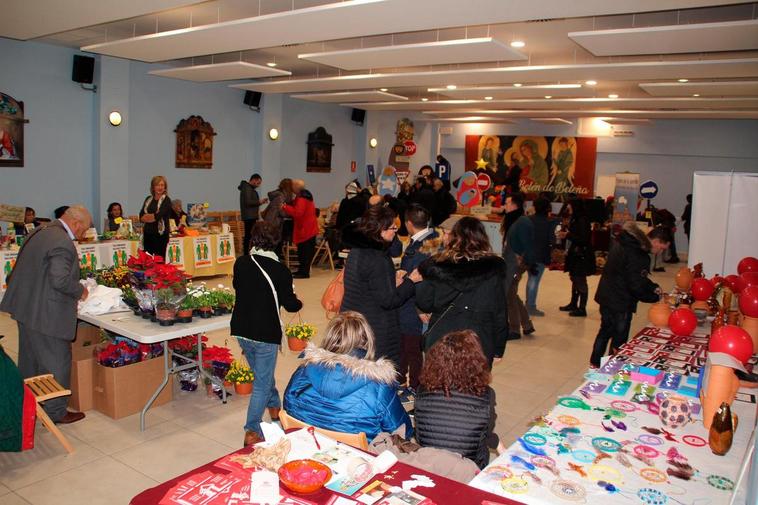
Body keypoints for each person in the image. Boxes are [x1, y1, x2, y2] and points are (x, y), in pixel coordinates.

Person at [0, 205, 92, 424]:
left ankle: (28, 405)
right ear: (76, 223)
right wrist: (81, 291)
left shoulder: (40, 231)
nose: (83, 234)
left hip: (26, 307)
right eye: (84, 230)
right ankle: (56, 411)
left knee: (30, 360)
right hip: (46, 313)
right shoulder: (62, 241)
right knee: (57, 361)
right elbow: (59, 280)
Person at [283, 311, 414, 442]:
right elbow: (403, 432)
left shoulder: (302, 372)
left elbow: (289, 408)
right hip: (357, 458)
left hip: (307, 448)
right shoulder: (380, 386)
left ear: (330, 338)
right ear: (367, 341)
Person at [230, 221, 302, 446]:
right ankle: (252, 429)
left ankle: (274, 406)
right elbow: (290, 305)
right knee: (261, 382)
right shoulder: (280, 270)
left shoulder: (241, 263)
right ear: (276, 242)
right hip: (265, 333)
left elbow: (237, 286)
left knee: (263, 374)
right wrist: (298, 301)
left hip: (242, 329)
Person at [416, 217, 508, 367]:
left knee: (438, 383)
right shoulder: (493, 270)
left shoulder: (438, 266)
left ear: (455, 238)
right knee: (473, 384)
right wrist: (498, 348)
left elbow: (424, 302)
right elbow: (499, 312)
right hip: (479, 339)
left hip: (442, 337)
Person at [341, 205, 420, 368]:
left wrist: (391, 282)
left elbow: (366, 285)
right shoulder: (378, 259)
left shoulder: (357, 251)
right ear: (380, 230)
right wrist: (412, 281)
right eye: (392, 227)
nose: (395, 231)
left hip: (354, 321)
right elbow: (388, 301)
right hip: (376, 327)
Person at [414, 330, 501, 469]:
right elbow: (486, 431)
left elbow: (419, 434)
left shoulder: (422, 390)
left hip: (429, 463)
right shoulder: (486, 395)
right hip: (467, 468)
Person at [589, 224, 671, 367]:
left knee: (605, 331)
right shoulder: (638, 254)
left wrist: (653, 287)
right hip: (620, 301)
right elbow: (636, 286)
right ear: (656, 241)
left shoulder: (626, 242)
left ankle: (594, 364)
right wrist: (655, 298)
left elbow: (634, 276)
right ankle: (611, 368)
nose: (658, 252)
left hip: (606, 295)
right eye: (661, 248)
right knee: (619, 339)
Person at [398, 204, 438, 391]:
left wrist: (421, 308)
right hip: (421, 303)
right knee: (409, 346)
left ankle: (415, 385)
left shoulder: (419, 248)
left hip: (413, 305)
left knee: (411, 348)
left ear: (409, 223)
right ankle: (403, 381)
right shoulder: (434, 239)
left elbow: (421, 280)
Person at [501, 193, 535, 339]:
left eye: (507, 203)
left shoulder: (521, 222)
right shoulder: (515, 220)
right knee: (512, 293)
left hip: (515, 263)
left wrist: (521, 263)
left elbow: (525, 245)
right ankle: (527, 325)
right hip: (512, 262)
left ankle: (514, 330)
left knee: (509, 294)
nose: (505, 206)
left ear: (514, 205)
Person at [558, 198, 595, 317]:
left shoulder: (582, 220)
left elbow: (583, 239)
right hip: (575, 253)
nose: (568, 207)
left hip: (581, 255)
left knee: (580, 280)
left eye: (569, 205)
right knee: (574, 278)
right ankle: (574, 303)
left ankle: (582, 308)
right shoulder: (576, 218)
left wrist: (568, 234)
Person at [526, 197, 556, 316]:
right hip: (541, 255)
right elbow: (551, 240)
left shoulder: (528, 220)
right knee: (534, 281)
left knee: (530, 280)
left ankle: (528, 304)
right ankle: (531, 306)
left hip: (528, 254)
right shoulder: (549, 222)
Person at [282, 179, 319, 278]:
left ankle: (304, 272)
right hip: (309, 228)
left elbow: (298, 213)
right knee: (304, 251)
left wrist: (285, 207)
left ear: (295, 187)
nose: (291, 187)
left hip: (306, 229)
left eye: (292, 186)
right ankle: (302, 271)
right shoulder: (304, 196)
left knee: (304, 252)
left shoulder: (302, 198)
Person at [139, 175, 172, 257]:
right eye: (157, 185)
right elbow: (141, 217)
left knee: (158, 262)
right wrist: (153, 215)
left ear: (165, 187)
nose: (160, 187)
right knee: (147, 261)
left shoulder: (166, 200)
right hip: (147, 234)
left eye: (162, 185)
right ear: (153, 187)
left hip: (160, 236)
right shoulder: (148, 199)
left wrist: (149, 216)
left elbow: (158, 217)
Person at [262, 178, 293, 258]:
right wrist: (293, 214)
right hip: (274, 223)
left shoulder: (278, 195)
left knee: (272, 244)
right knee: (275, 245)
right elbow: (282, 212)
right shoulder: (280, 197)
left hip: (271, 222)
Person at [239, 173, 268, 255]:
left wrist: (259, 203)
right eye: (258, 183)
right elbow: (248, 202)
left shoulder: (249, 188)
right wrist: (259, 201)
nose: (258, 185)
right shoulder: (247, 188)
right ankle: (246, 254)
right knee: (248, 236)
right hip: (249, 217)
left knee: (249, 236)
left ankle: (248, 253)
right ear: (253, 180)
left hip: (250, 216)